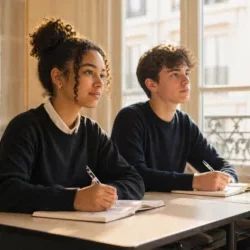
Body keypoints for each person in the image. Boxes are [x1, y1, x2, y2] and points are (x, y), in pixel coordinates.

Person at [0, 17, 144, 213]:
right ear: (58, 77)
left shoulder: (92, 132)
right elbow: (7, 191)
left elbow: (134, 180)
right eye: (88, 72)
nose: (99, 83)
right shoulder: (25, 128)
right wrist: (74, 198)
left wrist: (105, 195)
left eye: (102, 74)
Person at [111, 44, 238, 192]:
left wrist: (226, 178)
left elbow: (221, 165)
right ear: (152, 84)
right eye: (175, 74)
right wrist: (194, 181)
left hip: (170, 205)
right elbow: (137, 176)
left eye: (186, 73)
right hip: (135, 209)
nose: (186, 81)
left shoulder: (185, 123)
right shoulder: (130, 118)